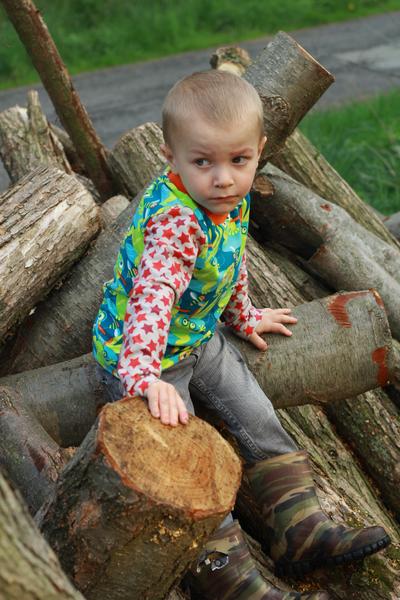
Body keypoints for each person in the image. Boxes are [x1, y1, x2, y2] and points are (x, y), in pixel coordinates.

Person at [92, 70, 390, 599]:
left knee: (257, 416)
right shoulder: (178, 221)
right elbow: (152, 296)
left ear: (259, 150)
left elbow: (229, 262)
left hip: (197, 340)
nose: (223, 178)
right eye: (203, 162)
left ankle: (300, 530)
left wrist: (243, 315)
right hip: (143, 356)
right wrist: (143, 376)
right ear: (170, 156)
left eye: (238, 160)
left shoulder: (229, 201)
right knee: (185, 462)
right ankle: (230, 580)